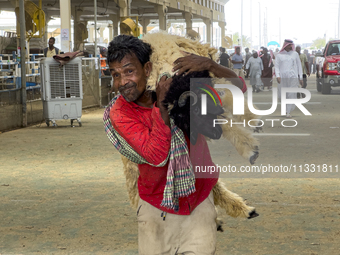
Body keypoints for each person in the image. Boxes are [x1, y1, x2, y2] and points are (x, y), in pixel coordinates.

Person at [106, 35, 246, 254]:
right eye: (116, 75)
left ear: (147, 68)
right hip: (155, 210)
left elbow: (239, 89)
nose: (123, 82)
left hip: (198, 203)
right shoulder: (120, 112)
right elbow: (157, 155)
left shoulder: (185, 90)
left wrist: (210, 65)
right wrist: (161, 107)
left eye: (129, 71)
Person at [275, 39, 303, 118]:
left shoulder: (295, 54)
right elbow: (276, 67)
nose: (290, 47)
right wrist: (278, 76)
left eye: (291, 45)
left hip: (292, 77)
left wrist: (300, 77)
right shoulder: (279, 55)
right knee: (282, 95)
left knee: (291, 94)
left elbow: (299, 66)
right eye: (289, 45)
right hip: (282, 78)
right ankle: (285, 109)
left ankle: (288, 112)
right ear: (285, 45)